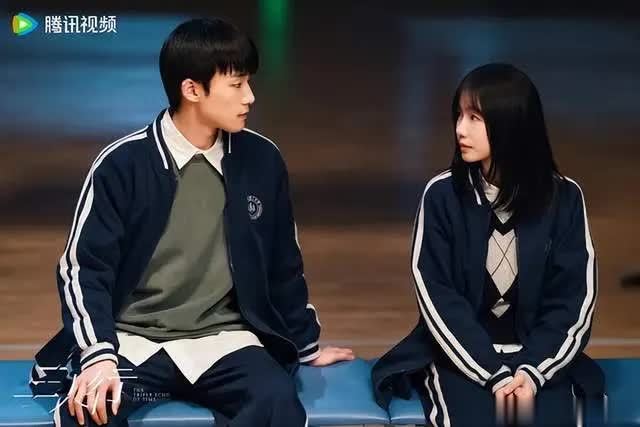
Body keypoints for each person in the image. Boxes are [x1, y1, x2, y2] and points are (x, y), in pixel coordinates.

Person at [30, 17, 354, 427]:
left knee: (277, 404)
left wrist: (305, 346)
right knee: (91, 412)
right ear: (192, 90)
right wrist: (98, 355)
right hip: (132, 343)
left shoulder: (262, 160)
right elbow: (83, 269)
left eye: (249, 83)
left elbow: (283, 265)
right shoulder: (122, 164)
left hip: (225, 342)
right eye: (237, 85)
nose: (250, 96)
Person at [371, 63, 603, 426]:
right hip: (460, 358)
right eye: (459, 115)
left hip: (537, 360)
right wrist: (493, 374)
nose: (460, 129)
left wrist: (533, 372)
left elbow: (573, 301)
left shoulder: (565, 199)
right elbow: (439, 300)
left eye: (475, 118)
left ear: (511, 124)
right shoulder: (442, 196)